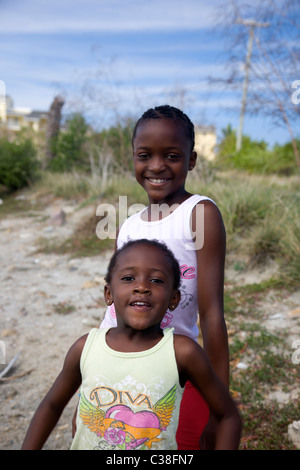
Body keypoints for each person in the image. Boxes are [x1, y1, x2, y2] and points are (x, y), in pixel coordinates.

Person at [22, 239, 241, 450]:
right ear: (109, 293)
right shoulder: (86, 347)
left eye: (156, 280)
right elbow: (51, 405)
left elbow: (228, 416)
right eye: (128, 278)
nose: (142, 287)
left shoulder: (181, 352)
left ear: (174, 299)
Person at [99, 105, 228, 449]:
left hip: (175, 371)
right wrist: (92, 377)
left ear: (191, 160)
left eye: (171, 155)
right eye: (145, 155)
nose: (156, 166)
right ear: (133, 158)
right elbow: (115, 309)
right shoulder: (127, 226)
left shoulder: (199, 214)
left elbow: (213, 313)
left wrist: (220, 407)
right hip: (117, 366)